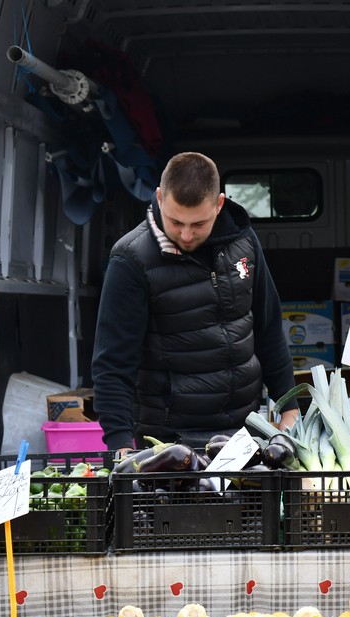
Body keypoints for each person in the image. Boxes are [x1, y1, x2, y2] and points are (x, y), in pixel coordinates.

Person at [92, 152, 299, 453]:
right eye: (176, 222)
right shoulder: (130, 260)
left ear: (219, 205)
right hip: (168, 441)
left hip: (246, 430)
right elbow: (113, 363)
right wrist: (120, 444)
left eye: (199, 224)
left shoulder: (245, 242)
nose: (186, 235)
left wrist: (289, 405)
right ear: (160, 198)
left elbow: (269, 328)